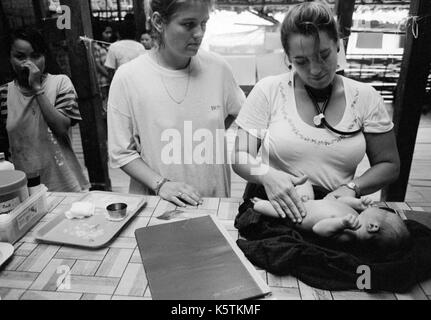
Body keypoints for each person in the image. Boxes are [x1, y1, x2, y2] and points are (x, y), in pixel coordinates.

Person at [232, 2, 400, 224]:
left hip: (334, 211)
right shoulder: (268, 90)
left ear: (338, 45)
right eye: (301, 61)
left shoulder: (365, 97)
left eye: (323, 55)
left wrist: (352, 188)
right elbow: (240, 154)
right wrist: (267, 176)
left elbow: (389, 164)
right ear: (288, 58)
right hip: (274, 205)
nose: (315, 69)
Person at [108, 0, 245, 206]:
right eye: (188, 24)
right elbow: (121, 152)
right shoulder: (128, 77)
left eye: (204, 23)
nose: (199, 33)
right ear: (158, 22)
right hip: (157, 201)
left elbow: (239, 111)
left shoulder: (218, 68)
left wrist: (203, 137)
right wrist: (161, 184)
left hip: (212, 197)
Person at [0, 27, 90, 192]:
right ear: (9, 58)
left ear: (45, 57)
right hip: (25, 189)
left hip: (66, 186)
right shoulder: (4, 94)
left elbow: (61, 128)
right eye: (20, 57)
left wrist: (37, 88)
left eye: (35, 56)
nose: (28, 63)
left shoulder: (60, 83)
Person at [251, 181, 410, 252]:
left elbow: (318, 229)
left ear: (373, 226)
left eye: (380, 211)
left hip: (295, 214)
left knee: (267, 208)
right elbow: (337, 200)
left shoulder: (349, 235)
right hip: (310, 201)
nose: (376, 207)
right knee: (305, 182)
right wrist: (357, 203)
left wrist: (341, 223)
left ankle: (257, 203)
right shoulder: (355, 215)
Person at [93, 22, 113, 114]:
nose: (109, 35)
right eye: (106, 32)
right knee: (104, 102)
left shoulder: (108, 45)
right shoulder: (96, 46)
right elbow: (97, 65)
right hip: (103, 80)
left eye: (110, 32)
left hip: (109, 78)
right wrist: (109, 75)